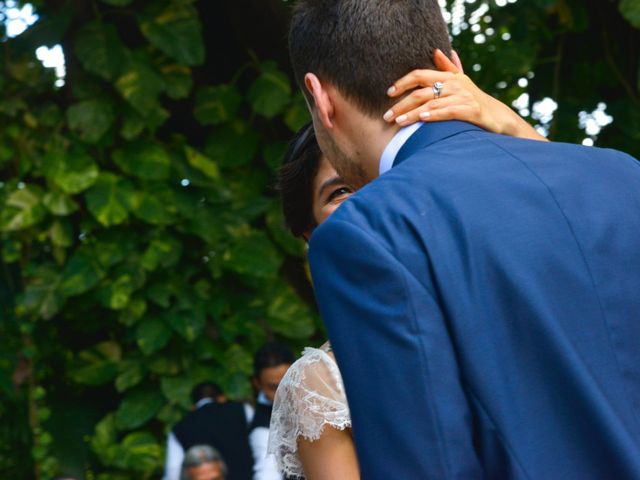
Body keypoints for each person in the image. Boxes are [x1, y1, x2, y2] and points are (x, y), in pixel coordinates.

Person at [287, 1, 640, 479]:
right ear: (452, 66)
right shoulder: (620, 175)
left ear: (320, 97)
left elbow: (427, 463)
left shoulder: (367, 232)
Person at [269, 60, 547, 478]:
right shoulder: (322, 384)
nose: (375, 199)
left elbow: (564, 224)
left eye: (382, 177)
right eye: (341, 191)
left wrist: (506, 121)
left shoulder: (506, 302)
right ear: (310, 237)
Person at [164, 382, 254, 480]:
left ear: (193, 407)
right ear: (222, 398)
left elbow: (173, 473)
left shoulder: (179, 428)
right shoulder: (242, 410)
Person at [249, 342, 295, 480]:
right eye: (274, 387)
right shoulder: (263, 431)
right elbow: (267, 473)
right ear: (257, 384)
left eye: (287, 383)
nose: (283, 394)